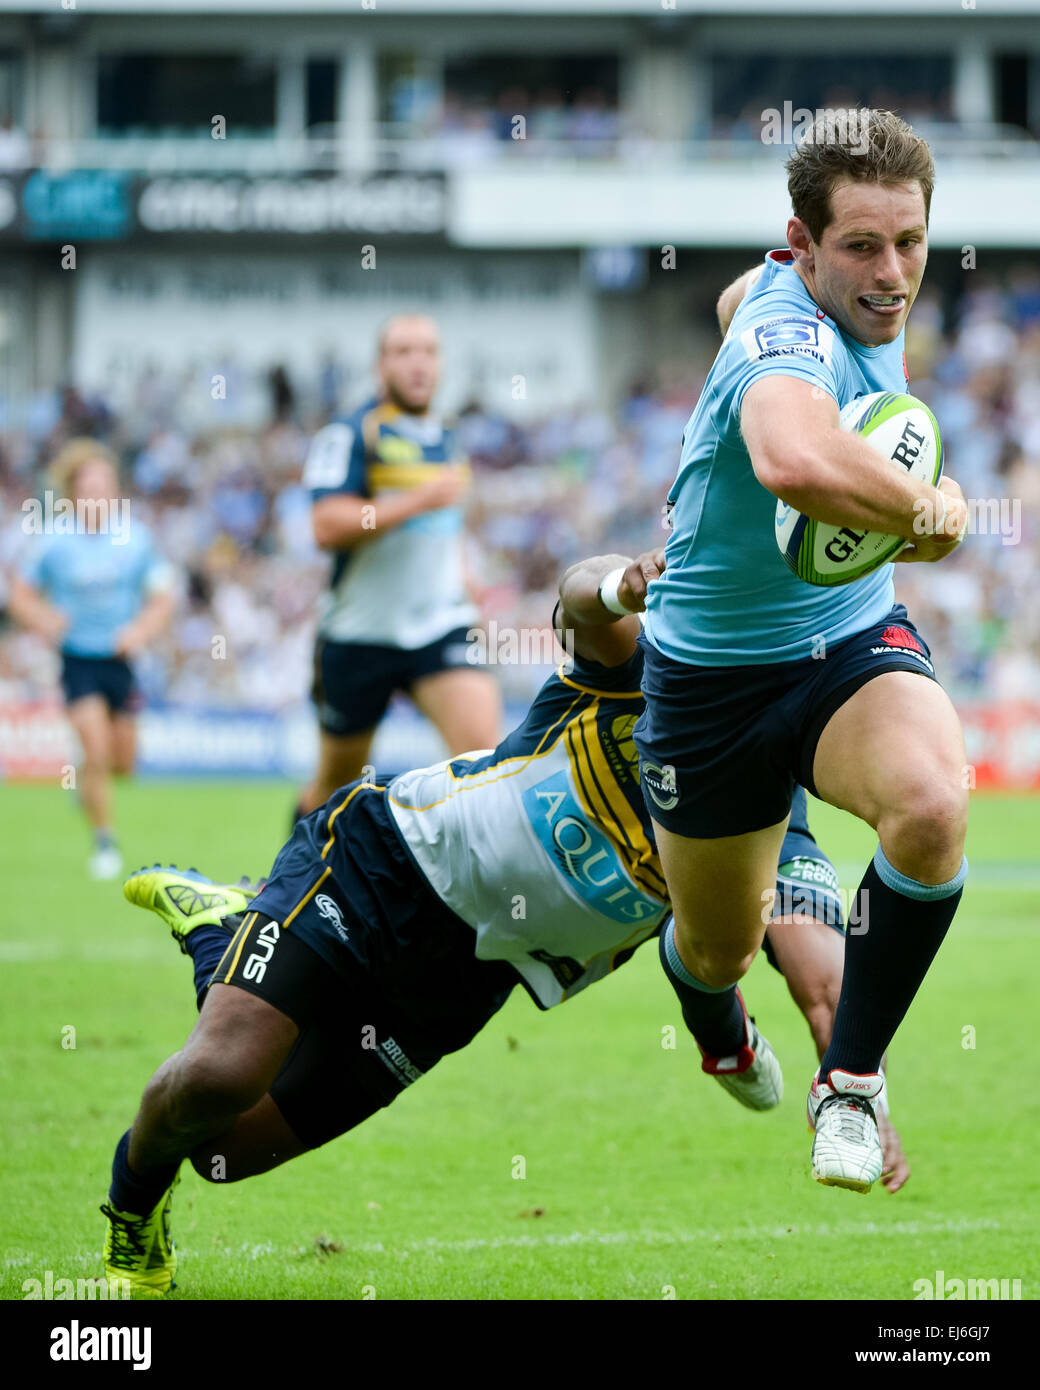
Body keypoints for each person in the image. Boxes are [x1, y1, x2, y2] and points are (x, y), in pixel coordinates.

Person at [99, 548, 909, 1297]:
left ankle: (220, 932)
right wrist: (622, 582)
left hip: (464, 986)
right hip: (386, 863)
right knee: (220, 1075)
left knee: (220, 1150)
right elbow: (581, 603)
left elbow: (825, 981)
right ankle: (131, 1217)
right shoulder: (655, 673)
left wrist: (855, 1091)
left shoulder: (774, 832)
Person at [632, 108, 969, 1193]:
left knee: (930, 802)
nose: (890, 272)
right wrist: (926, 506)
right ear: (801, 244)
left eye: (908, 242)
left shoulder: (829, 301)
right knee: (718, 946)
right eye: (861, 247)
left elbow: (738, 301)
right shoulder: (790, 326)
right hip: (708, 680)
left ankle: (850, 1084)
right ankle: (717, 1027)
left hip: (842, 642)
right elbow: (785, 452)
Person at [295, 312, 501, 818]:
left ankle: (458, 895)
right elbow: (326, 525)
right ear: (380, 365)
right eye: (404, 352)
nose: (418, 364)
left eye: (428, 351)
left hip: (438, 625)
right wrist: (414, 501)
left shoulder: (445, 436)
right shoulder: (351, 434)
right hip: (360, 634)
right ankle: (285, 887)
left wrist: (464, 577)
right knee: (337, 784)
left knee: (484, 764)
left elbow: (444, 525)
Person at [8, 439, 175, 879]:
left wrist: (138, 631)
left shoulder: (134, 538)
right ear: (73, 494)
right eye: (88, 488)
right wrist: (45, 619)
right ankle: (105, 843)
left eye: (104, 487)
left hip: (119, 661)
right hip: (77, 659)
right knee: (97, 749)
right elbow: (20, 596)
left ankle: (83, 779)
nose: (97, 496)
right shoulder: (54, 542)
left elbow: (163, 597)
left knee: (123, 763)